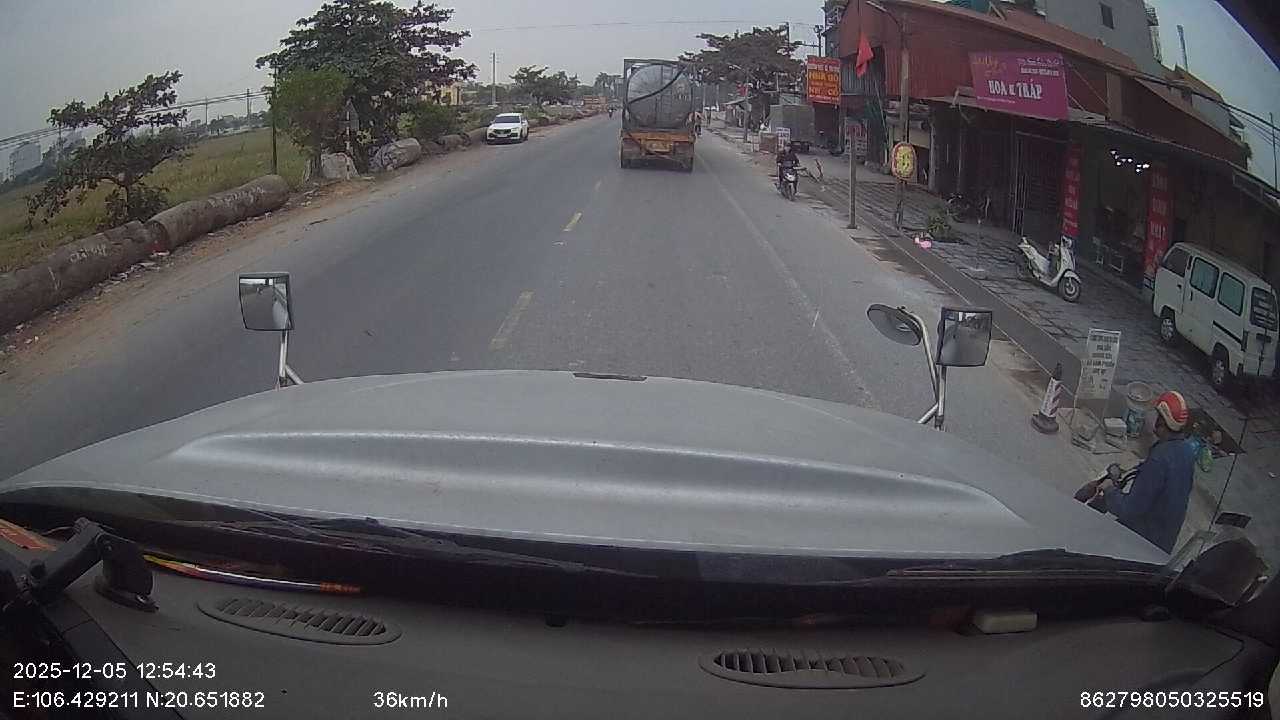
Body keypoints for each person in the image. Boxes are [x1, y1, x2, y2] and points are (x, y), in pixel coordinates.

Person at [1094, 390, 1197, 553]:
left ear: (1162, 421)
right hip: (1164, 540)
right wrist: (1136, 468)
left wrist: (1109, 490)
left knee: (1096, 538)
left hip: (1142, 540)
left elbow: (1129, 509)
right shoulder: (1187, 451)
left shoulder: (1159, 460)